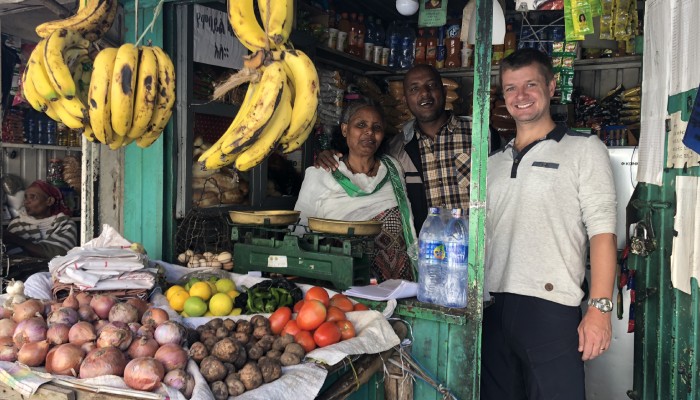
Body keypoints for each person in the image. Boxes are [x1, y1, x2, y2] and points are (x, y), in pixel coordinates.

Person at [481, 48, 617, 399]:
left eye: (530, 85)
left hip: (550, 310)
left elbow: (602, 232)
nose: (520, 96)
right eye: (511, 88)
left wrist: (600, 310)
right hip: (492, 307)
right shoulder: (492, 163)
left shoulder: (584, 150)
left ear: (552, 86)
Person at [316, 64, 472, 232]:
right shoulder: (396, 148)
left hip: (477, 251)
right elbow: (362, 160)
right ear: (405, 99)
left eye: (432, 85)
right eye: (414, 89)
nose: (424, 93)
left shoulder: (479, 134)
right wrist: (330, 156)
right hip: (426, 251)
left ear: (443, 90)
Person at [295, 100, 417, 282]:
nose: (369, 132)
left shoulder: (393, 168)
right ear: (345, 130)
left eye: (377, 127)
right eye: (361, 125)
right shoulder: (321, 173)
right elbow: (299, 228)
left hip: (398, 282)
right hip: (344, 278)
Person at [3, 180, 78, 259]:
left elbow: (59, 253)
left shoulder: (64, 223)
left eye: (33, 197)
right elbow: (13, 256)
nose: (26, 202)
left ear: (49, 201)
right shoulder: (17, 224)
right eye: (26, 198)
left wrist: (17, 240)